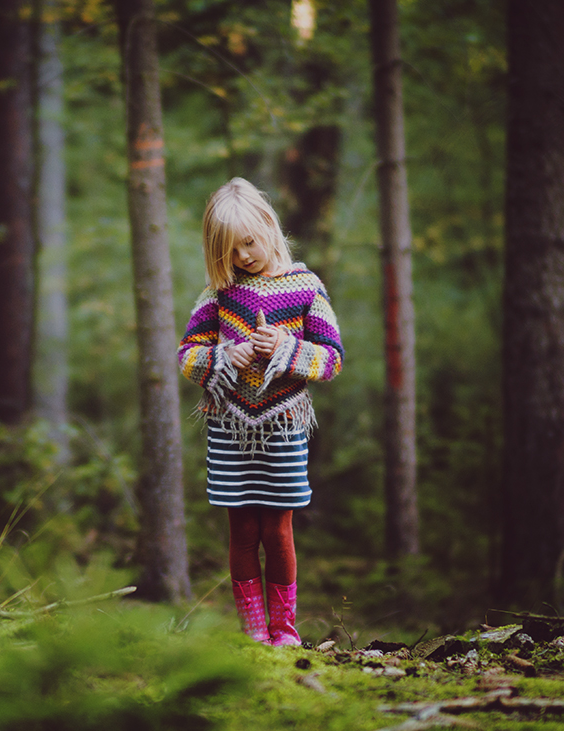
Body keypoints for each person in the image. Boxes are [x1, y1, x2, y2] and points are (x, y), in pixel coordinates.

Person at [178, 178, 344, 646]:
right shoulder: (217, 296)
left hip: (285, 424)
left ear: (269, 226)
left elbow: (331, 359)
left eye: (248, 242)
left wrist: (288, 349)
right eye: (230, 251)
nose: (243, 256)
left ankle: (284, 630)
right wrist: (223, 356)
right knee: (243, 527)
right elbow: (187, 356)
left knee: (278, 526)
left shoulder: (306, 288)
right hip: (230, 428)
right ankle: (253, 632)